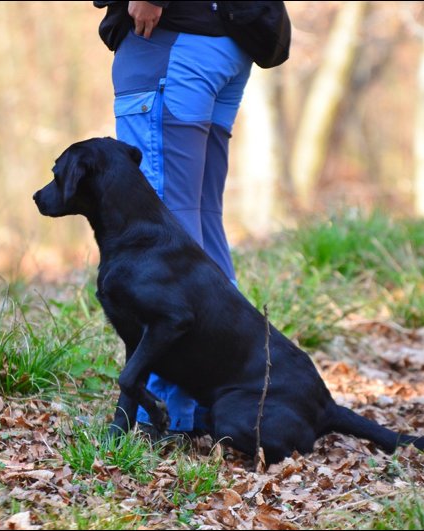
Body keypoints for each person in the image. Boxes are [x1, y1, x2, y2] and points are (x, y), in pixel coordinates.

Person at [93, 0, 290, 436]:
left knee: (161, 242)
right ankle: (219, 395)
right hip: (222, 44)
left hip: (172, 44)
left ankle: (169, 413)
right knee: (200, 225)